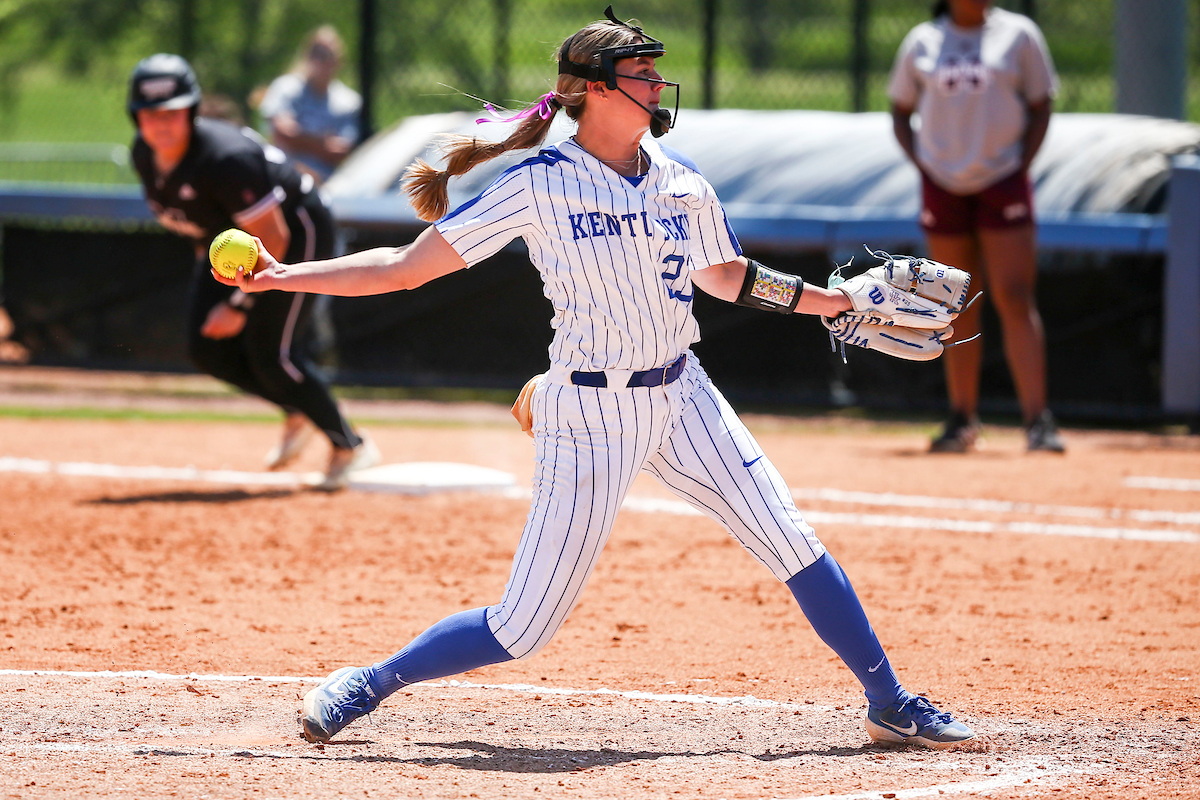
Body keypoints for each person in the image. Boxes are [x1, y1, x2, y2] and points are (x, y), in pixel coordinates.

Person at [216, 9, 976, 750]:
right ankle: (372, 682)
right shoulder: (542, 182)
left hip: (684, 396)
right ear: (591, 90)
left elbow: (728, 276)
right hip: (588, 413)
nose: (657, 85)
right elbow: (404, 267)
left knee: (791, 539)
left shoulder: (683, 183)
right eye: (640, 74)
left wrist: (832, 301)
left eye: (655, 72)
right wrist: (284, 276)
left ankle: (890, 702)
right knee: (522, 627)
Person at [127, 53, 378, 490]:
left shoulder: (226, 159)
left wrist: (239, 305)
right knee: (205, 347)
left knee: (271, 354)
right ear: (136, 117)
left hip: (294, 231)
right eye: (150, 113)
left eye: (171, 111)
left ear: (190, 111)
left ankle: (351, 445)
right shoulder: (145, 156)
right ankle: (298, 407)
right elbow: (198, 219)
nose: (160, 123)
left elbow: (274, 237)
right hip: (228, 245)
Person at [889, 0, 1065, 453]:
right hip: (943, 183)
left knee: (1014, 294)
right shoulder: (923, 40)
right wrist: (924, 165)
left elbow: (1041, 104)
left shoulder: (1018, 34)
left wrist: (1020, 166)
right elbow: (900, 109)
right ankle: (962, 416)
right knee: (954, 301)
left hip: (1003, 179)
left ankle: (1037, 420)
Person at [258, 26, 362, 183]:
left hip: (329, 184)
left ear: (339, 59)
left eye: (327, 55)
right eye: (316, 53)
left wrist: (300, 137)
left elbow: (341, 151)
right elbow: (282, 134)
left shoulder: (349, 100)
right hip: (286, 180)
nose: (321, 60)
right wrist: (323, 142)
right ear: (306, 56)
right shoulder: (285, 87)